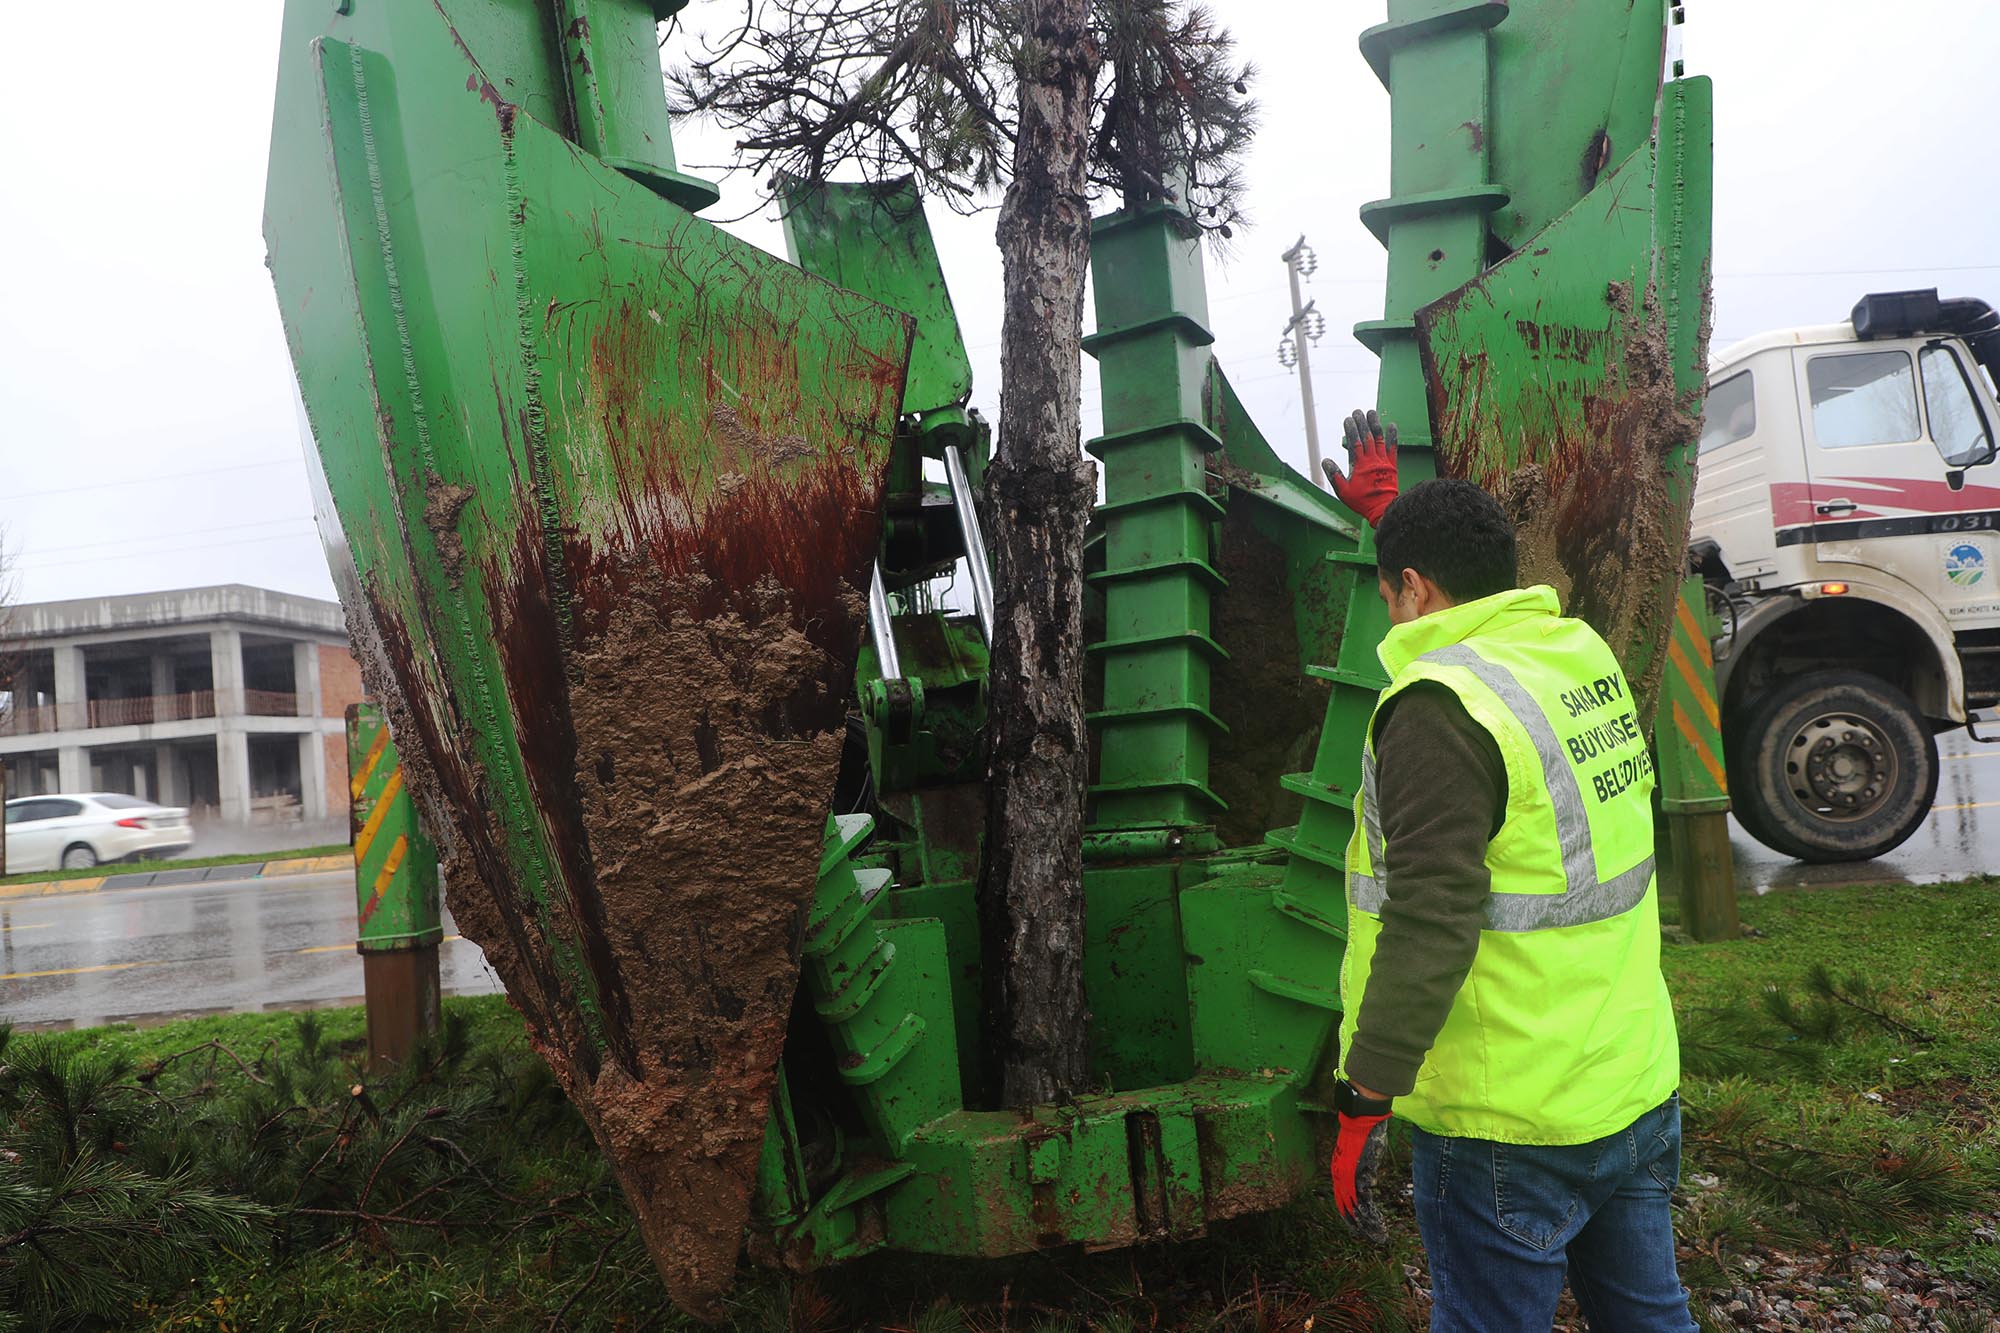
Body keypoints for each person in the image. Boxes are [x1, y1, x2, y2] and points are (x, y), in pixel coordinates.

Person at [1319, 409, 1694, 1332]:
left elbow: (1430, 919)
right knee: (1651, 1319)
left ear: (1412, 588)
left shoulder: (1440, 708)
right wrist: (1390, 517)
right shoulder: (1574, 654)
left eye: (1386, 591)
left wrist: (1365, 1096)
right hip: (1630, 1083)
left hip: (1508, 1122)